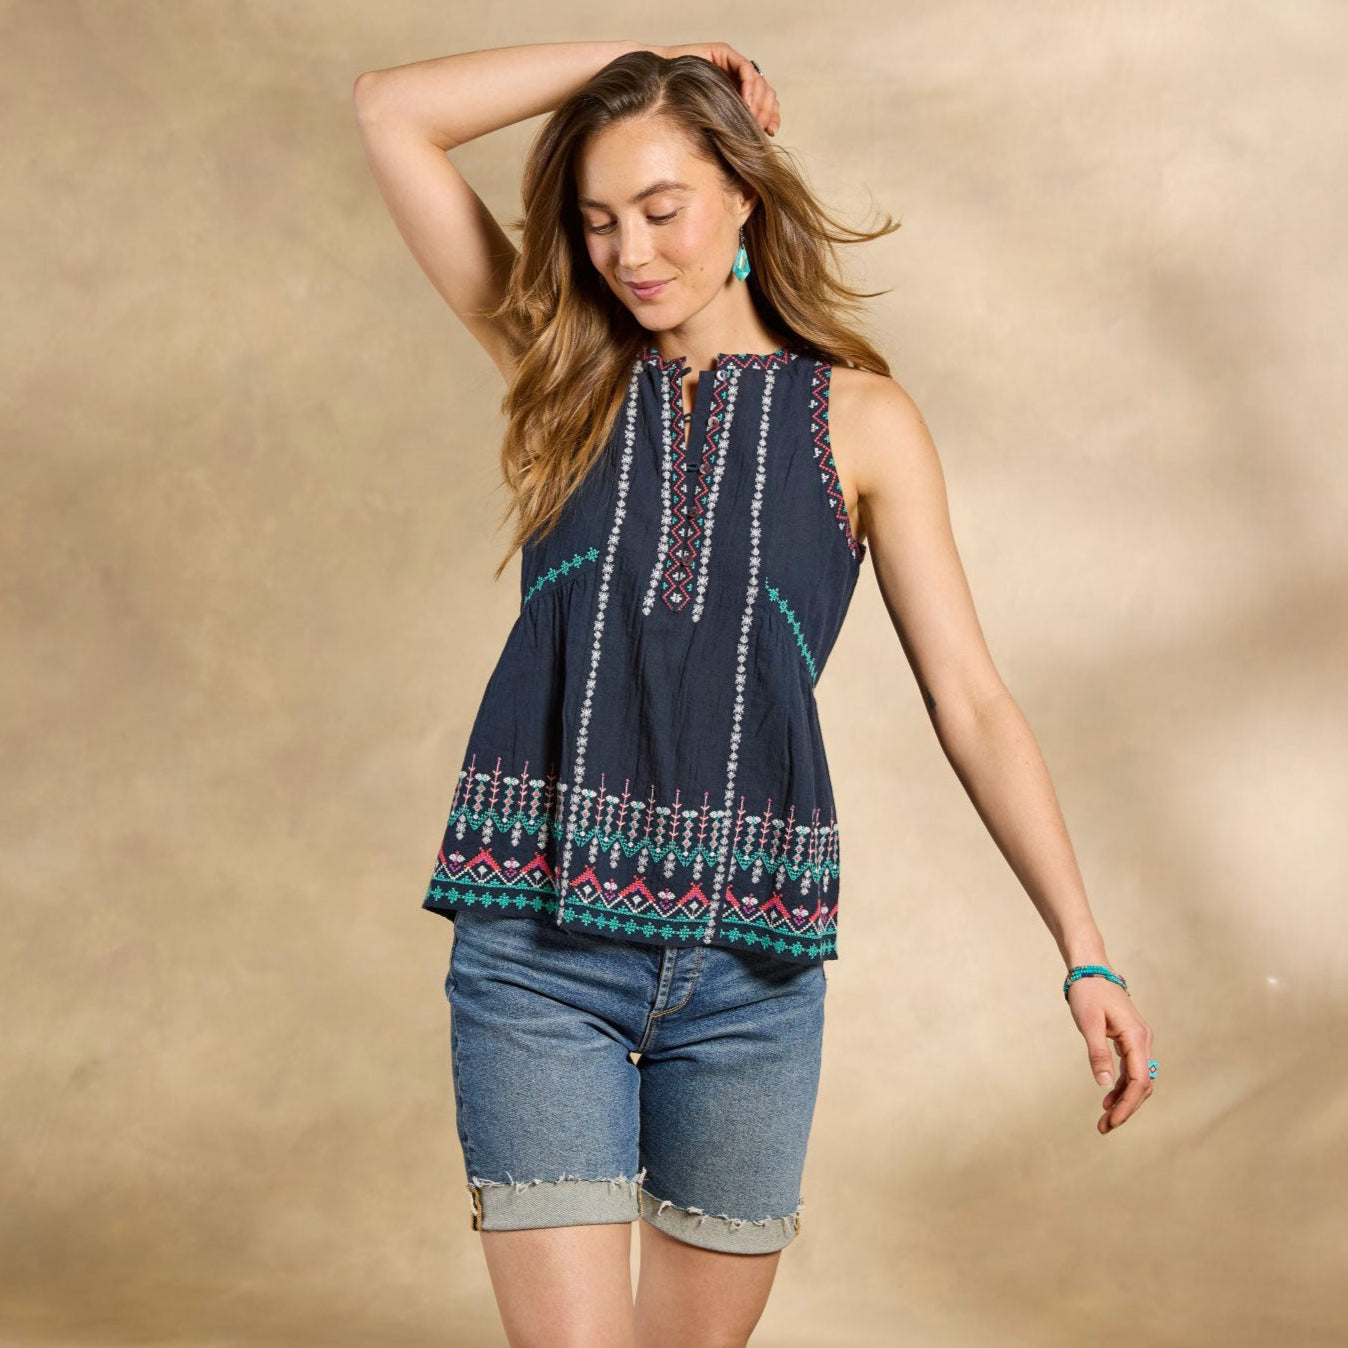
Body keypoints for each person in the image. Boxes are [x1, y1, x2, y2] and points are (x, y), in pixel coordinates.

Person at [353, 39, 1156, 1348]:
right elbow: (391, 110)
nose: (629, 252)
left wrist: (1086, 950)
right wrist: (636, 59)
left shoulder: (864, 420)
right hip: (538, 952)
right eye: (599, 221)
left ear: (743, 193)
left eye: (662, 208)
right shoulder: (560, 370)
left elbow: (970, 701)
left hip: (751, 973)